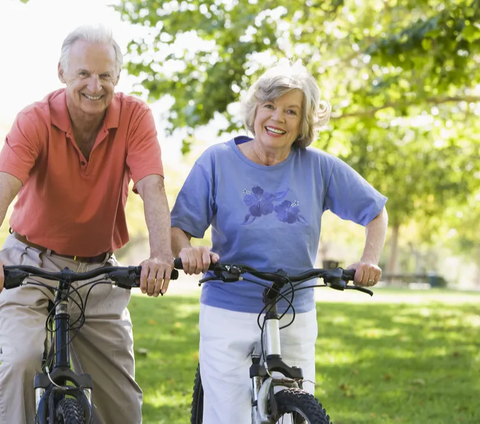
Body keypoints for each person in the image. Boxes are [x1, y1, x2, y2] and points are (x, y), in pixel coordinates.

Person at [171, 61, 388, 423]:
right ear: (254, 111)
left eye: (291, 111)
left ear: (303, 123)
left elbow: (376, 212)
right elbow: (179, 228)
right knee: (229, 415)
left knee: (293, 413)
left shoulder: (319, 167)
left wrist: (369, 259)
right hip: (229, 307)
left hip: (294, 310)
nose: (278, 118)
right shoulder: (217, 161)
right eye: (270, 106)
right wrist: (188, 251)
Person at [0, 25, 173, 424]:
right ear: (62, 73)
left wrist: (161, 254)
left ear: (117, 76)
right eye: (83, 74)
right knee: (21, 361)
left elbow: (152, 186)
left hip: (99, 270)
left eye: (105, 75)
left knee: (123, 405)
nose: (95, 86)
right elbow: (4, 188)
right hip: (30, 262)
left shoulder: (134, 116)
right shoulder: (35, 120)